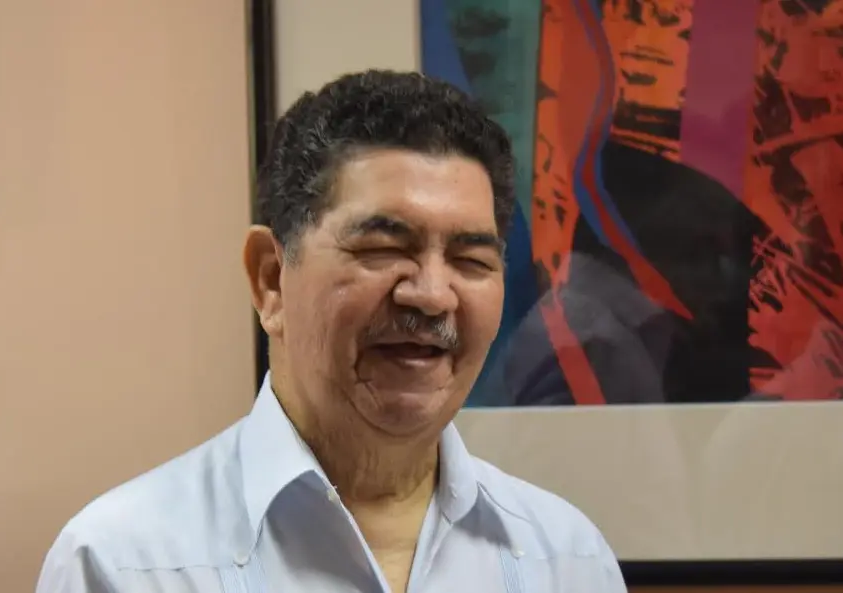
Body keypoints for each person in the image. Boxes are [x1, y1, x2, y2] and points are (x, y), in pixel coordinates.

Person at [36, 70, 626, 592]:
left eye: (471, 260)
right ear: (271, 279)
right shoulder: (125, 564)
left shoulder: (566, 560)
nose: (431, 294)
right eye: (382, 248)